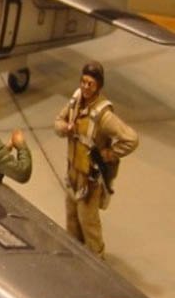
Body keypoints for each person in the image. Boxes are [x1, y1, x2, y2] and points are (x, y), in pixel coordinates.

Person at [54, 61, 138, 258]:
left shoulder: (103, 115)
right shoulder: (75, 102)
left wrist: (108, 154)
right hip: (72, 174)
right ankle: (74, 257)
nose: (85, 87)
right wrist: (65, 128)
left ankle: (97, 261)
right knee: (72, 220)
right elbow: (58, 121)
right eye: (83, 81)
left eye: (90, 83)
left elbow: (131, 139)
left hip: (89, 181)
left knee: (89, 224)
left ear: (98, 86)